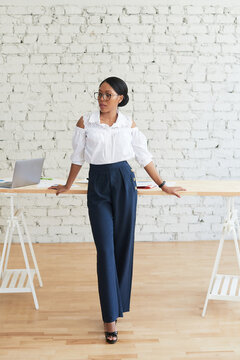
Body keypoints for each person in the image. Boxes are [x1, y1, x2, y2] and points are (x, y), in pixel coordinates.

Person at [48, 76, 186, 344]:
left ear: (120, 98)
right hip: (98, 183)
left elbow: (143, 157)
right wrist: (67, 185)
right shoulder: (85, 122)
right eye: (99, 94)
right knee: (105, 251)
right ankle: (109, 318)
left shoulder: (127, 123)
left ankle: (118, 304)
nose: (101, 99)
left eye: (107, 95)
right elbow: (77, 157)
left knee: (123, 247)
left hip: (124, 181)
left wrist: (163, 184)